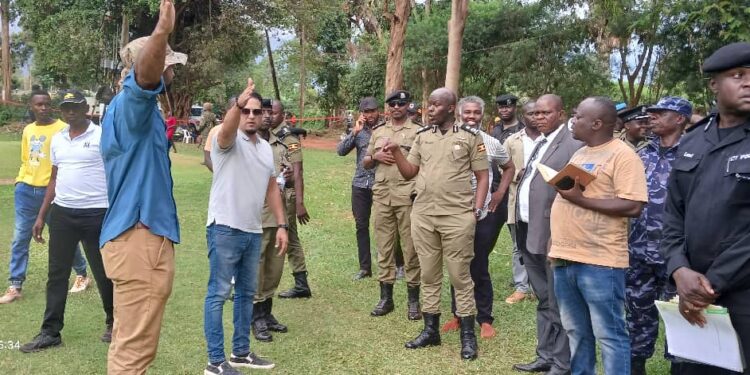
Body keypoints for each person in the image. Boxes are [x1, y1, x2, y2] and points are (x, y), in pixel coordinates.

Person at [99, 1, 187, 372]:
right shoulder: (131, 107)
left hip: (137, 239)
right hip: (139, 240)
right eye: (168, 64)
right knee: (134, 352)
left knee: (128, 341)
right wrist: (161, 32)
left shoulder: (139, 114)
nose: (171, 72)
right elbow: (144, 80)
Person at [662, 42, 750, 375]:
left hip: (740, 295)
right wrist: (678, 269)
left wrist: (709, 284)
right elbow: (673, 214)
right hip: (689, 292)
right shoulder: (694, 140)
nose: (748, 83)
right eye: (738, 75)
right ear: (714, 84)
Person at [386, 87, 489, 360]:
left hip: (457, 217)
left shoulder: (470, 137)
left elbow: (482, 176)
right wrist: (397, 151)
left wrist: (476, 210)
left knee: (459, 276)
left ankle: (467, 335)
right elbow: (409, 172)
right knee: (429, 274)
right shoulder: (422, 137)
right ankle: (431, 330)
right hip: (423, 215)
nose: (429, 109)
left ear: (450, 108)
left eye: (435, 105)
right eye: (428, 105)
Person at [549, 96, 647, 375]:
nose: (573, 120)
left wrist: (580, 200)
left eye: (578, 116)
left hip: (599, 260)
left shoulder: (623, 155)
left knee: (610, 334)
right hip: (565, 256)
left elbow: (633, 205)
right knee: (576, 330)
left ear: (596, 123)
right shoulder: (581, 153)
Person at [203, 80, 288, 374]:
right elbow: (227, 129)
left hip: (253, 231)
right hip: (224, 228)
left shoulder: (265, 149)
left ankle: (240, 352)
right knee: (218, 294)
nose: (252, 116)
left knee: (245, 294)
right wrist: (236, 105)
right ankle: (215, 362)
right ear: (237, 112)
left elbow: (271, 188)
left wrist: (281, 224)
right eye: (246, 111)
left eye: (256, 111)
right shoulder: (225, 140)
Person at [19, 90, 114, 352]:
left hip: (97, 213)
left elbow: (116, 171)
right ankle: (50, 332)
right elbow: (53, 178)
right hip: (62, 213)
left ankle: (114, 322)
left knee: (103, 272)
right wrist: (41, 215)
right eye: (66, 108)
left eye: (76, 107)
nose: (70, 112)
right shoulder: (58, 139)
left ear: (86, 109)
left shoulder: (102, 135)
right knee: (56, 274)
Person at [0, 89, 91, 305]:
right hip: (25, 191)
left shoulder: (62, 129)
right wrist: (21, 181)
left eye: (47, 104)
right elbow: (26, 159)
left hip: (52, 193)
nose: (43, 108)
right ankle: (15, 285)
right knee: (20, 238)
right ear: (31, 107)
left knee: (62, 238)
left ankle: (82, 273)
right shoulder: (28, 130)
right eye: (38, 104)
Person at [512, 94, 581, 375]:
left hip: (552, 234)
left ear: (561, 114)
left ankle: (562, 362)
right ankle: (544, 355)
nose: (539, 117)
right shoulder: (540, 142)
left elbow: (575, 193)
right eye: (536, 113)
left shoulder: (573, 145)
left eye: (546, 113)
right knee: (543, 297)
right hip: (528, 229)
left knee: (558, 300)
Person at [440, 96, 515, 339]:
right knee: (456, 263)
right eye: (467, 112)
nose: (471, 117)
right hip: (454, 213)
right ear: (459, 114)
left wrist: (500, 193)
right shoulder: (447, 138)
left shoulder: (492, 143)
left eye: (476, 112)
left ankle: (484, 318)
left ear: (482, 115)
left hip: (483, 215)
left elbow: (509, 167)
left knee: (479, 264)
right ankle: (459, 315)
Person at [626, 96, 691, 374]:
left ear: (680, 119)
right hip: (638, 249)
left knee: (679, 314)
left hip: (677, 253)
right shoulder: (642, 153)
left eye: (660, 113)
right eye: (650, 113)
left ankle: (680, 364)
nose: (651, 117)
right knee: (637, 311)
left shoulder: (694, 154)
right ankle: (636, 364)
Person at [362, 90, 422, 320]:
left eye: (402, 103)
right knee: (384, 247)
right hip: (382, 196)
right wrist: (375, 157)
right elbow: (366, 162)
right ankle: (386, 298)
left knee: (410, 248)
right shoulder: (379, 131)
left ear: (408, 106)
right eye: (393, 104)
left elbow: (422, 164)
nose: (397, 107)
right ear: (388, 108)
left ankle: (413, 301)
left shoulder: (418, 132)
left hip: (407, 196)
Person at [251, 99, 304, 342]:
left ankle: (267, 313)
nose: (267, 117)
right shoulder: (247, 143)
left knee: (274, 266)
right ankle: (255, 317)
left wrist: (290, 177)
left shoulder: (280, 143)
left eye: (269, 112)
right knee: (257, 266)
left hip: (278, 212)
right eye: (262, 112)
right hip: (255, 214)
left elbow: (289, 179)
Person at [272, 101, 314, 300]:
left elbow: (298, 171)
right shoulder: (265, 134)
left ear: (282, 115)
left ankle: (300, 283)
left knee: (288, 237)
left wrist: (299, 202)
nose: (269, 116)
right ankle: (301, 283)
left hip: (284, 196)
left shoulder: (288, 137)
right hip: (269, 195)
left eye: (273, 113)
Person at [337, 97, 377, 280]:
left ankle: (399, 264)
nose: (370, 115)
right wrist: (354, 132)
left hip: (381, 184)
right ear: (362, 113)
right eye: (366, 111)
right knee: (361, 225)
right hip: (360, 184)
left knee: (389, 225)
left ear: (378, 111)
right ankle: (365, 268)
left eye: (372, 110)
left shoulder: (385, 129)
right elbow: (341, 151)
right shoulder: (358, 131)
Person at [502, 100, 536, 305]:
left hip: (543, 205)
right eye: (530, 114)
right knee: (519, 247)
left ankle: (539, 287)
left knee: (542, 246)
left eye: (538, 113)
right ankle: (521, 287)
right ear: (523, 116)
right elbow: (502, 167)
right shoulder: (513, 140)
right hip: (517, 204)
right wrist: (517, 174)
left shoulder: (551, 141)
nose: (534, 117)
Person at [204, 97, 236, 172]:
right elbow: (207, 157)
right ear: (228, 110)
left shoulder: (249, 131)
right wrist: (220, 173)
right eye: (234, 108)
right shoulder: (216, 130)